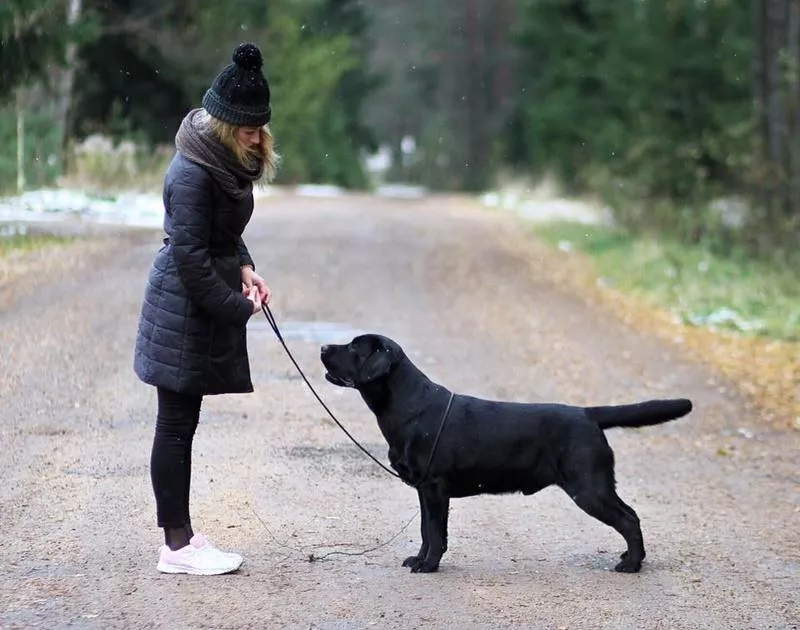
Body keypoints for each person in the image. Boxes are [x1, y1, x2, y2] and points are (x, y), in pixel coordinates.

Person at [133, 42, 279, 575]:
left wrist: (243, 266)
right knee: (174, 425)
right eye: (248, 128)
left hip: (195, 301)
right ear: (224, 123)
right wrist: (236, 310)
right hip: (181, 305)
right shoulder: (193, 171)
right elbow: (191, 257)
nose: (257, 136)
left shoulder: (220, 161)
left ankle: (181, 538)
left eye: (261, 127)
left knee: (180, 424)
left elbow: (220, 237)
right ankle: (176, 546)